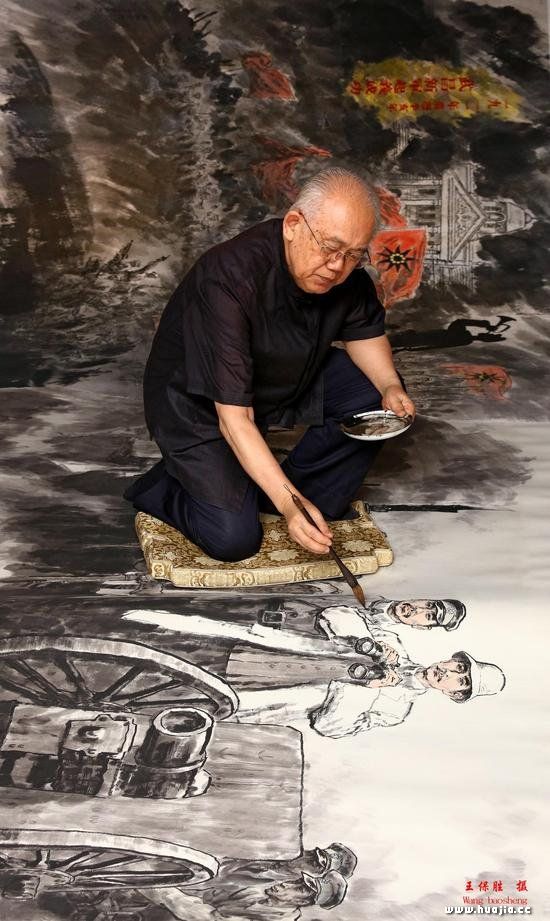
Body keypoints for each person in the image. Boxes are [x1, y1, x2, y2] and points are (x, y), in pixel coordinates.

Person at [124, 167, 415, 562]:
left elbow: (364, 333)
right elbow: (235, 419)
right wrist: (288, 503)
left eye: (353, 254)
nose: (337, 266)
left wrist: (389, 386)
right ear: (293, 225)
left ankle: (293, 490)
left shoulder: (344, 271)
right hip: (198, 403)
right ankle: (165, 485)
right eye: (330, 248)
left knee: (371, 398)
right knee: (233, 539)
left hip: (281, 375)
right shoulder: (229, 277)